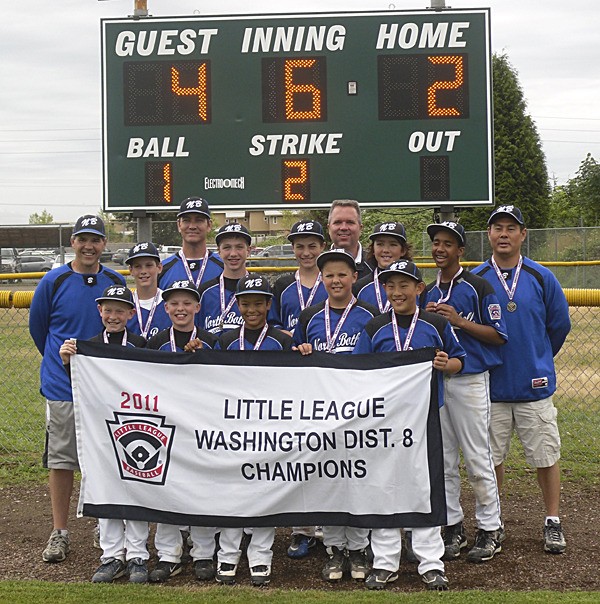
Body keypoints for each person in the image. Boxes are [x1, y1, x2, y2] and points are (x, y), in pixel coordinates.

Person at [353, 260, 466, 591]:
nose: (397, 292)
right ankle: (385, 561)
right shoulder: (374, 327)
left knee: (424, 486)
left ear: (419, 288)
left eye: (404, 285)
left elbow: (460, 360)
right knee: (385, 484)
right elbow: (359, 371)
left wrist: (448, 364)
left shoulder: (434, 324)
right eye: (390, 286)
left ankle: (431, 561)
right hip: (385, 421)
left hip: (426, 418)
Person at [472, 205, 571, 554]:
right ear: (489, 234)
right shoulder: (477, 278)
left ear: (522, 235)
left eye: (510, 228)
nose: (503, 234)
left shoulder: (541, 276)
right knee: (490, 459)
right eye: (497, 228)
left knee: (545, 456)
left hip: (534, 387)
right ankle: (493, 523)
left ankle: (553, 521)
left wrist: (538, 358)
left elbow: (559, 327)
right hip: (492, 387)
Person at [29, 214, 126, 563]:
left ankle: (105, 523)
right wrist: (62, 363)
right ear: (73, 241)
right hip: (63, 386)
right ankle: (60, 530)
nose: (89, 245)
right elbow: (40, 330)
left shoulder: (114, 280)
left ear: (104, 244)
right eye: (83, 238)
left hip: (104, 389)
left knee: (105, 458)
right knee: (62, 460)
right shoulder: (54, 280)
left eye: (96, 239)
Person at [421, 221, 507, 562]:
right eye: (436, 243)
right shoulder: (426, 292)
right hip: (438, 382)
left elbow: (498, 335)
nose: (440, 248)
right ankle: (452, 525)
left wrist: (458, 321)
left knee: (476, 457)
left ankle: (490, 527)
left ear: (461, 250)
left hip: (470, 379)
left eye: (447, 243)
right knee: (443, 459)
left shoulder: (477, 286)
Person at [294, 248, 379, 582]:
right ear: (321, 278)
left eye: (342, 274)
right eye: (328, 275)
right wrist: (300, 352)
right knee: (328, 477)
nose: (335, 280)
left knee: (356, 477)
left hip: (357, 412)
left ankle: (358, 547)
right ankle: (333, 549)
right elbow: (297, 361)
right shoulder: (310, 316)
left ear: (354, 277)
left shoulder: (371, 316)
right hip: (321, 412)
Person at [59, 285, 149, 583]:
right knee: (105, 486)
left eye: (120, 310)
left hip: (136, 427)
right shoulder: (88, 346)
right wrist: (68, 359)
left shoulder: (142, 345)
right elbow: (77, 384)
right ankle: (111, 555)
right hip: (101, 430)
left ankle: (137, 555)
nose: (113, 316)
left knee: (136, 486)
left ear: (131, 313)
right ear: (99, 312)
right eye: (107, 310)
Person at [216, 276, 294, 587]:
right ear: (237, 305)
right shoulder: (223, 341)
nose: (252, 309)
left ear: (268, 305)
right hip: (233, 428)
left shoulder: (281, 340)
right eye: (246, 303)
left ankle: (261, 555)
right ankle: (228, 554)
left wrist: (302, 351)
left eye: (258, 303)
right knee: (232, 490)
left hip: (268, 429)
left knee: (264, 490)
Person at [146, 280, 219, 583]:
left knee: (200, 486)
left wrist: (203, 356)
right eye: (174, 304)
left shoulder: (213, 340)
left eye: (187, 303)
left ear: (197, 307)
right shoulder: (156, 342)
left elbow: (226, 382)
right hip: (166, 426)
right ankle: (168, 553)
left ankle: (203, 552)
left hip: (201, 425)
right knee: (168, 489)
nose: (180, 309)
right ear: (165, 308)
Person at [270, 218, 327, 335]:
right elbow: (272, 322)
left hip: (323, 350)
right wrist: (280, 333)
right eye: (300, 247)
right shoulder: (282, 285)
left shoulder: (332, 284)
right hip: (291, 351)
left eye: (312, 246)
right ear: (293, 248)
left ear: (322, 246)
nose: (306, 253)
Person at [197, 223, 252, 336]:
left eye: (239, 247)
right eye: (227, 247)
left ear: (248, 250)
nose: (233, 253)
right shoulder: (205, 292)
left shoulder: (261, 290)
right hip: (212, 353)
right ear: (219, 251)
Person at [158, 196, 223, 289]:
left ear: (209, 225)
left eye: (199, 220)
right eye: (186, 220)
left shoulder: (224, 267)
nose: (192, 226)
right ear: (179, 225)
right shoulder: (162, 269)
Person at [354, 221, 412, 312]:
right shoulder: (359, 287)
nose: (385, 250)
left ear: (403, 250)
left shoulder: (414, 285)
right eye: (380, 244)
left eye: (393, 244)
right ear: (373, 249)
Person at [125, 242, 171, 340]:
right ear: (131, 270)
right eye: (138, 266)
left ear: (159, 268)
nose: (143, 271)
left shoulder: (170, 303)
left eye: (149, 265)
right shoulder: (125, 304)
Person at [327, 199, 374, 280]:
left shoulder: (375, 264)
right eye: (337, 222)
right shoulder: (317, 266)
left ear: (360, 228)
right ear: (329, 228)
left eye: (350, 222)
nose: (343, 228)